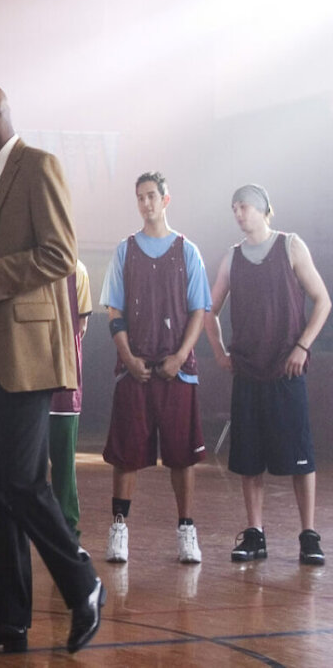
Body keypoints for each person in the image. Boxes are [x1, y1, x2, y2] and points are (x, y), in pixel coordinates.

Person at [0, 82, 103, 655]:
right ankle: (8, 618)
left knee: (23, 483)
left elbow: (60, 253)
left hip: (28, 357)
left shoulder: (39, 167)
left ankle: (83, 583)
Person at [204, 184, 330, 565]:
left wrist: (302, 345)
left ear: (262, 210)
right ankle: (255, 533)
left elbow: (323, 299)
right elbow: (209, 311)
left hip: (286, 371)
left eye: (243, 207)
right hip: (248, 372)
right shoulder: (232, 258)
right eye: (233, 209)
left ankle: (308, 535)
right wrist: (220, 352)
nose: (238, 214)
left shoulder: (291, 246)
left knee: (300, 458)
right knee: (248, 459)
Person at [100, 171, 210, 565]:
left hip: (177, 369)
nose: (146, 203)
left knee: (182, 456)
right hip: (136, 367)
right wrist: (127, 356)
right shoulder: (125, 251)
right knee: (126, 455)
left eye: (151, 196)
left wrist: (181, 355)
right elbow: (114, 309)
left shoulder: (188, 251)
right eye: (140, 197)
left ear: (166, 199)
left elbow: (199, 310)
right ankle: (119, 530)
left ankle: (186, 530)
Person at [49, 260, 92, 548]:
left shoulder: (77, 270)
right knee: (24, 462)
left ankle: (66, 529)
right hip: (26, 380)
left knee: (64, 461)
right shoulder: (24, 265)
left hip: (63, 381)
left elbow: (82, 326)